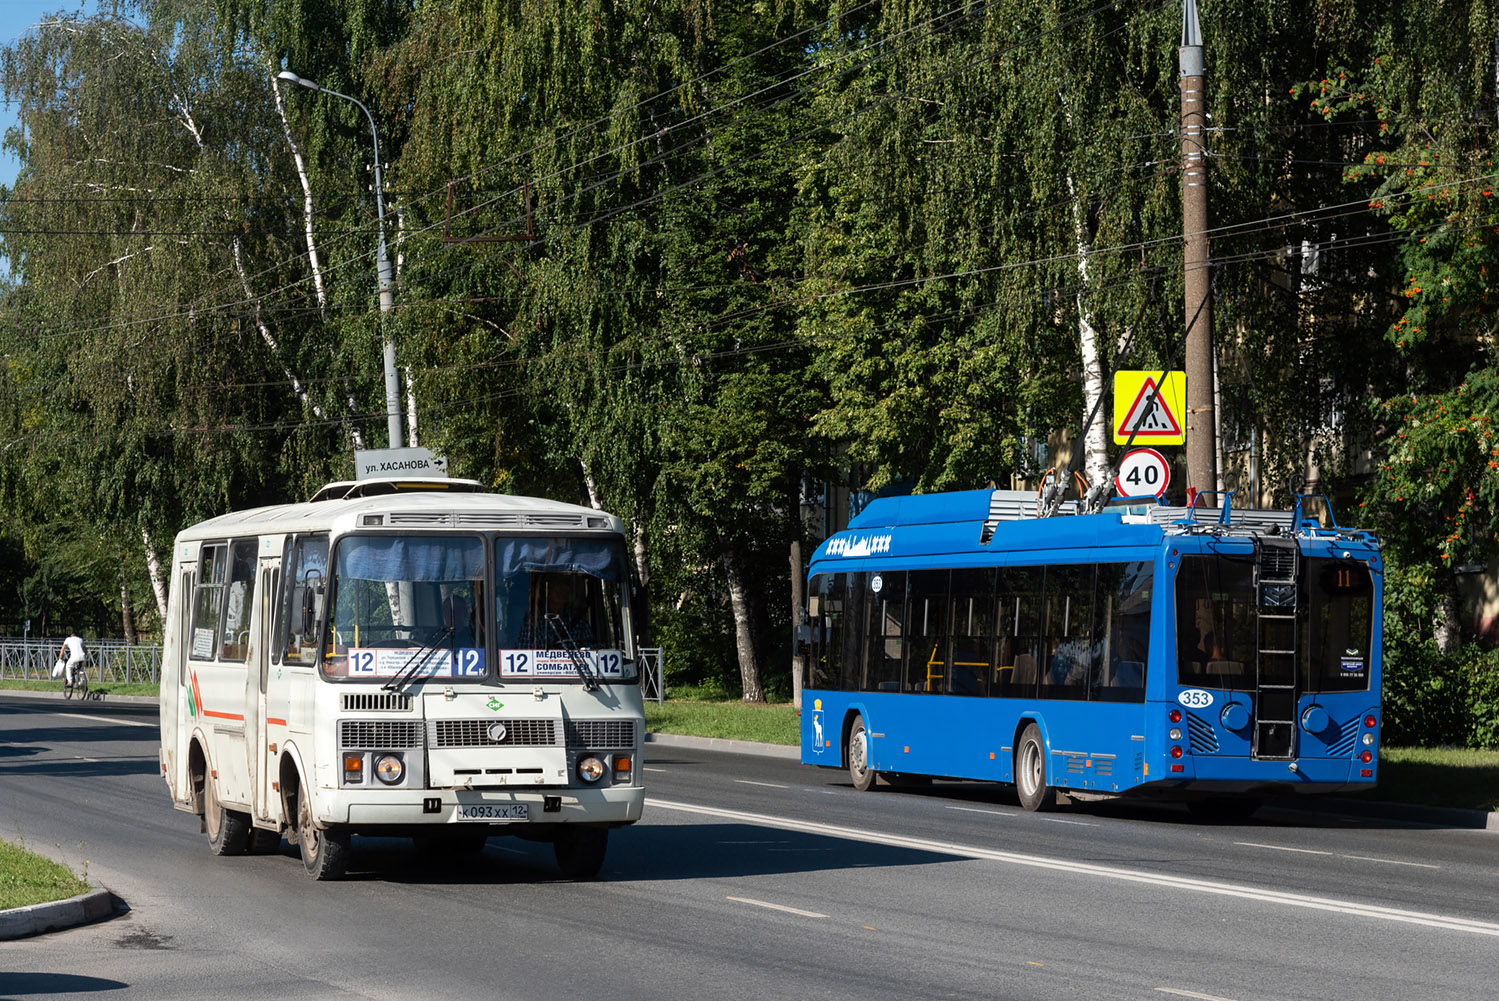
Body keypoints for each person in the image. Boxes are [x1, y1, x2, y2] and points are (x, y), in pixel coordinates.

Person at [517, 578, 593, 648]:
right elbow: (525, 650)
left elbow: (592, 648)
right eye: (557, 586)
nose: (562, 590)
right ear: (548, 592)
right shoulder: (534, 621)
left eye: (565, 586)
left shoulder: (579, 620)